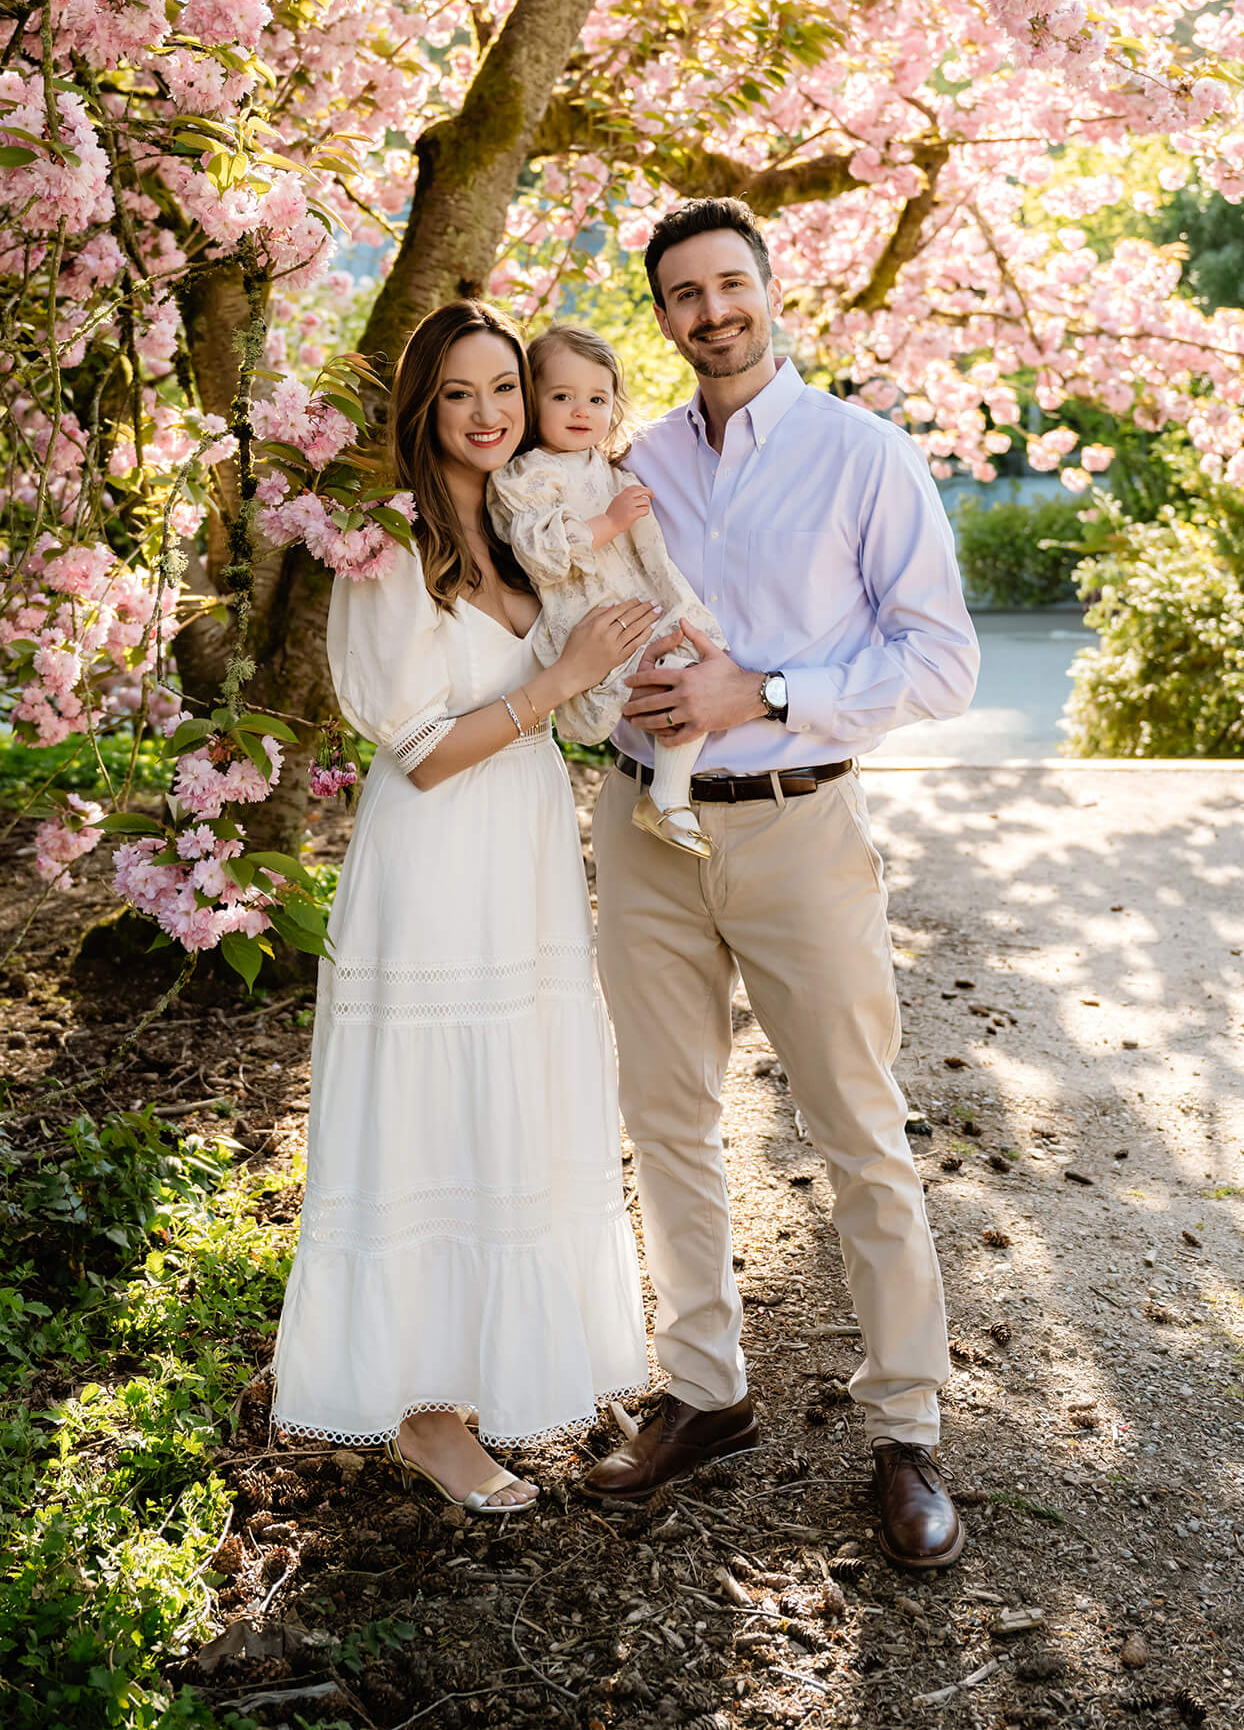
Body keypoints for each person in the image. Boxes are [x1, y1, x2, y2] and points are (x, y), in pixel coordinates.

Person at [581, 198, 981, 1572]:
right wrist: (608, 687)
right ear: (663, 316)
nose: (710, 312)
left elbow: (941, 662)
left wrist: (765, 689)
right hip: (641, 826)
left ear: (766, 288)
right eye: (681, 295)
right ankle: (703, 1391)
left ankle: (905, 1427)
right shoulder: (626, 463)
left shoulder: (858, 455)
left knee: (856, 1129)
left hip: (799, 831)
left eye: (727, 285)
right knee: (665, 1116)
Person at [271, 300, 652, 1512]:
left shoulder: (520, 527)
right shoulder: (387, 545)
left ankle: (482, 1378)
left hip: (523, 845)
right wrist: (559, 676)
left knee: (514, 1105)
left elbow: (584, 708)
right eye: (460, 395)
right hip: (436, 854)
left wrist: (606, 624)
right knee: (432, 1112)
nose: (489, 416)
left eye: (506, 391)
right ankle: (427, 1419)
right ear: (421, 408)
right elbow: (422, 749)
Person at [488, 324, 730, 858]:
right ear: (531, 402)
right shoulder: (527, 474)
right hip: (588, 613)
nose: (581, 410)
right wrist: (609, 523)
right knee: (647, 682)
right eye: (562, 397)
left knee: (690, 669)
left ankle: (667, 795)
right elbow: (541, 553)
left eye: (597, 398)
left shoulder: (611, 468)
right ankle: (665, 796)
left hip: (635, 601)